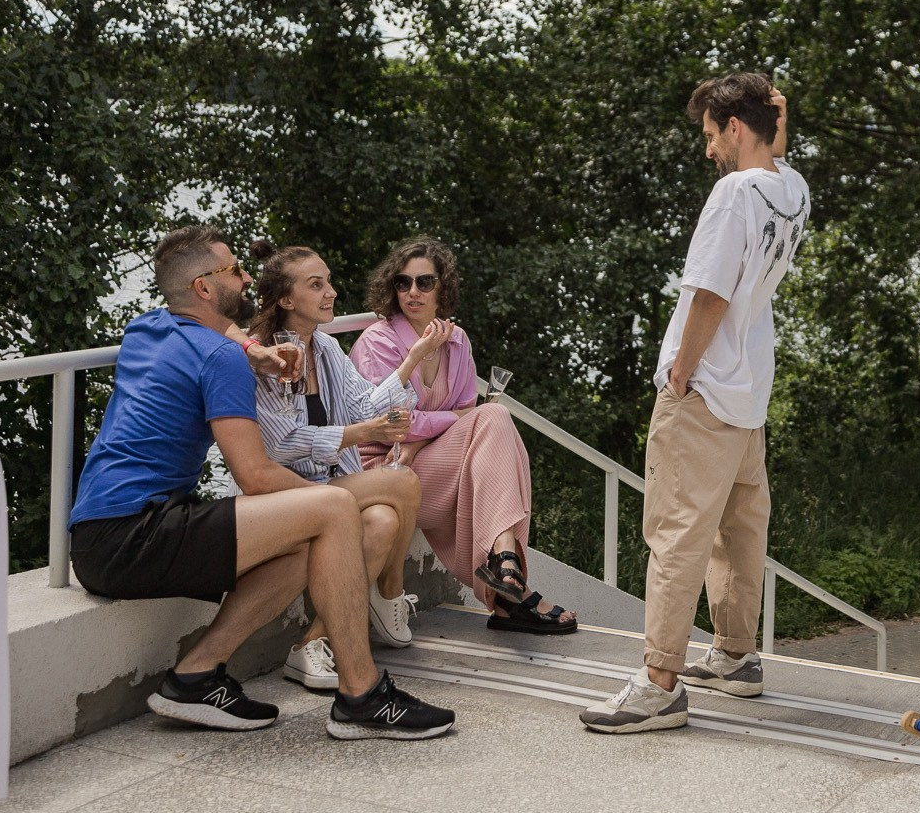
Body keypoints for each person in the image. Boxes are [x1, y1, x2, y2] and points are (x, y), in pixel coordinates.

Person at [67, 225, 455, 741]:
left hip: (100, 537)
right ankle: (361, 694)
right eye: (235, 271)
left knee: (302, 543)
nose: (248, 278)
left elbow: (211, 331)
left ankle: (194, 677)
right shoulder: (219, 359)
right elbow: (253, 474)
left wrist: (252, 348)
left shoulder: (149, 326)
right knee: (334, 510)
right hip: (134, 535)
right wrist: (247, 353)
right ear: (205, 288)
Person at [581, 73, 808, 733]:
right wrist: (778, 123)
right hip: (749, 393)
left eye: (712, 135)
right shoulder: (792, 192)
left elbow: (708, 294)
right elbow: (779, 154)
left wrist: (680, 368)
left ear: (734, 127)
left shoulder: (734, 193)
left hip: (705, 388)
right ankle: (736, 657)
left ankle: (659, 682)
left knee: (676, 532)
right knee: (739, 530)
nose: (709, 150)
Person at [246, 239, 451, 690]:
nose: (331, 292)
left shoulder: (323, 347)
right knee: (401, 484)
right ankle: (389, 592)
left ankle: (310, 645)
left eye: (329, 282)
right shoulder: (264, 356)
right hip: (285, 493)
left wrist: (414, 358)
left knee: (381, 521)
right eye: (316, 285)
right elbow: (281, 445)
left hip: (331, 488)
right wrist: (361, 435)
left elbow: (362, 404)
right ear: (285, 299)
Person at [350, 237, 578, 636]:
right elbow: (392, 423)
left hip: (424, 461)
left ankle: (505, 568)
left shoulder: (457, 340)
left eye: (425, 282)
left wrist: (431, 428)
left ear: (444, 288)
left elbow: (463, 413)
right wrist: (444, 420)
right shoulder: (378, 341)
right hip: (385, 469)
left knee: (494, 418)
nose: (413, 292)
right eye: (403, 283)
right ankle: (507, 574)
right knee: (494, 418)